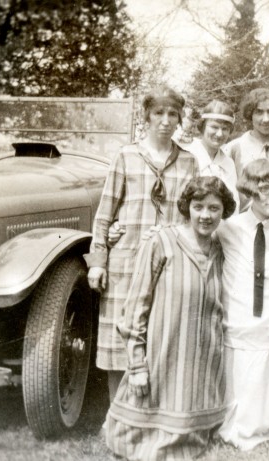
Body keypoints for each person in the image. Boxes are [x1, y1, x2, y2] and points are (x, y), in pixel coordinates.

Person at [104, 176, 236, 460]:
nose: (206, 215)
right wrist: (137, 365)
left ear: (223, 211)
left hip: (202, 358)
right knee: (141, 437)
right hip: (162, 352)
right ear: (187, 207)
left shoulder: (222, 249)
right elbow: (135, 306)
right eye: (198, 206)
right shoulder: (161, 242)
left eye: (214, 208)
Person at [84, 86, 198, 401]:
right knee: (120, 335)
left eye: (172, 114)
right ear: (146, 116)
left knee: (160, 334)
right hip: (126, 260)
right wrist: (98, 263)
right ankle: (116, 414)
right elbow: (104, 214)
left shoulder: (188, 162)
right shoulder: (126, 156)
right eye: (158, 113)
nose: (165, 120)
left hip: (168, 264)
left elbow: (192, 216)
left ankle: (153, 411)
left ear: (179, 119)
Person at [216, 159, 269, 450]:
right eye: (264, 189)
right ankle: (235, 423)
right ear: (250, 192)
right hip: (238, 321)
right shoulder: (227, 229)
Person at [223, 88, 269, 214]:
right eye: (259, 112)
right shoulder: (234, 148)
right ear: (250, 114)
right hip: (245, 226)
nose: (266, 119)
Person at [185, 99, 240, 211]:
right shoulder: (186, 157)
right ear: (202, 126)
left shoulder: (228, 163)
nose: (219, 134)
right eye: (214, 127)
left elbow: (234, 204)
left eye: (225, 129)